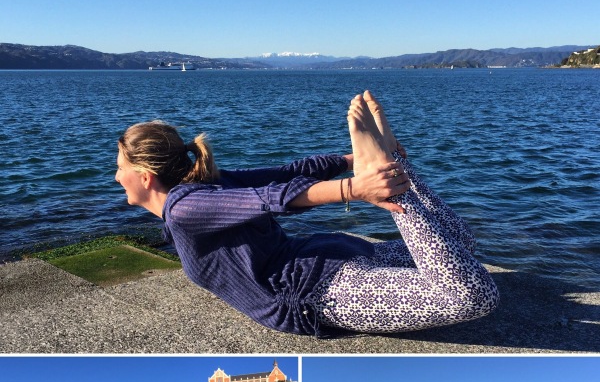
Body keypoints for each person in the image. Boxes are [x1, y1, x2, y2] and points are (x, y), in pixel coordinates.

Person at [115, 91, 498, 337]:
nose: (116, 176)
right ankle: (392, 162)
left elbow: (275, 193)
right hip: (327, 255)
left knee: (471, 296)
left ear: (145, 177)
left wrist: (355, 182)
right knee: (460, 247)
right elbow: (284, 178)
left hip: (315, 291)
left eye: (119, 167)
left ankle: (385, 164)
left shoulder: (183, 209)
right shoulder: (210, 186)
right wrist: (357, 167)